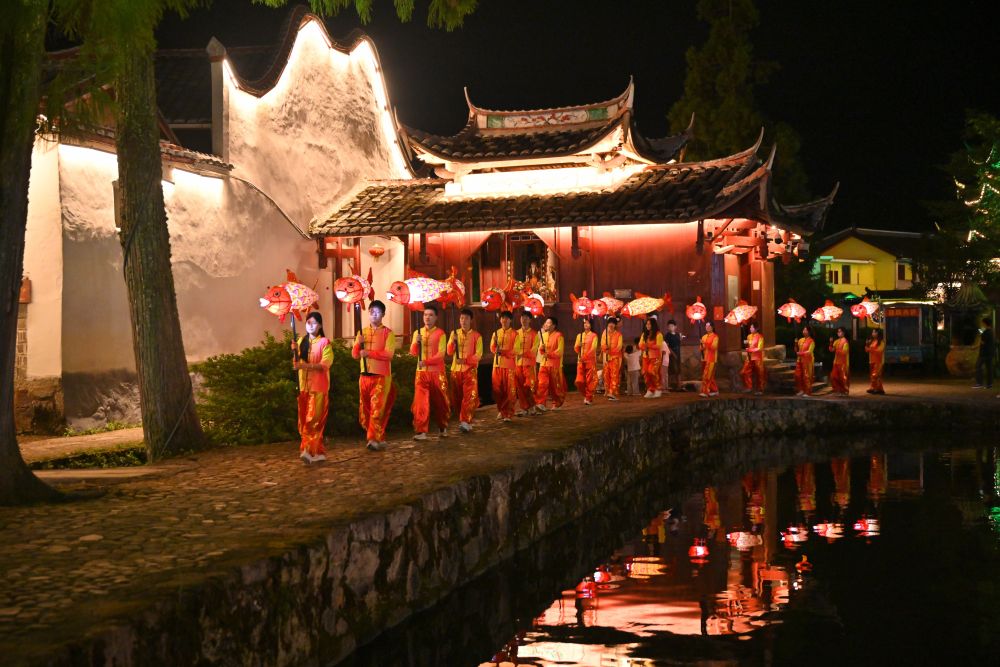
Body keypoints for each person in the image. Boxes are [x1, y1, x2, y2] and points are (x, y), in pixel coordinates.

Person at [352, 300, 397, 451]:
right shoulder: (362, 332)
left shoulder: (388, 333)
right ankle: (379, 436)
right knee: (365, 410)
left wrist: (369, 353)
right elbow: (355, 355)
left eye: (377, 312)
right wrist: (358, 344)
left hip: (381, 376)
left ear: (383, 314)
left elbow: (389, 354)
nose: (374, 315)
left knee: (377, 409)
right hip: (364, 376)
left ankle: (373, 439)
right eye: (371, 312)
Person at [293, 311, 333, 463]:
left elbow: (324, 365)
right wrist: (294, 352)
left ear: (320, 325)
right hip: (303, 387)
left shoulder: (325, 343)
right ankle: (316, 451)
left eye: (314, 323)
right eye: (308, 322)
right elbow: (296, 364)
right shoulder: (301, 341)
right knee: (303, 421)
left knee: (313, 421)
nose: (310, 325)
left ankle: (308, 450)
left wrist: (304, 366)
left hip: (318, 388)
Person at [409, 305, 450, 440]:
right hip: (421, 373)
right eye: (425, 315)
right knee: (420, 402)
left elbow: (441, 354)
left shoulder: (440, 333)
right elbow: (413, 352)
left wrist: (426, 362)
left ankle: (442, 426)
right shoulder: (417, 333)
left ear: (436, 317)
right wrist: (416, 343)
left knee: (440, 402)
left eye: (431, 315)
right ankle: (421, 431)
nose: (427, 317)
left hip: (437, 373)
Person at [447, 307, 482, 433]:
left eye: (466, 318)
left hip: (469, 370)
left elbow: (478, 355)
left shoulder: (477, 336)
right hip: (455, 370)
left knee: (469, 396)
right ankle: (464, 419)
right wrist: (453, 342)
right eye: (461, 318)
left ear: (471, 320)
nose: (463, 321)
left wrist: (465, 360)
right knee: (456, 397)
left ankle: (465, 421)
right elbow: (449, 352)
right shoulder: (454, 334)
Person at [491, 310, 518, 421]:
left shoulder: (515, 334)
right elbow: (492, 348)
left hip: (509, 366)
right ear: (500, 320)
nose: (504, 320)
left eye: (507, 318)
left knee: (510, 391)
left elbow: (516, 350)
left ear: (510, 320)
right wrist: (495, 347)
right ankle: (501, 410)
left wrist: (502, 352)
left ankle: (508, 413)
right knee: (497, 390)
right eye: (502, 318)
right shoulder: (496, 333)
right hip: (497, 365)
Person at [535, 316, 566, 411]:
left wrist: (549, 354)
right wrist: (542, 349)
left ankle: (557, 403)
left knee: (555, 386)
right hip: (544, 364)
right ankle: (541, 403)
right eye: (546, 322)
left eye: (548, 323)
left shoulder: (559, 335)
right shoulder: (543, 335)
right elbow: (541, 350)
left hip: (554, 365)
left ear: (554, 325)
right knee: (542, 384)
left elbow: (560, 351)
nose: (546, 324)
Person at [513, 310, 540, 416]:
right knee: (519, 387)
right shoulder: (516, 333)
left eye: (526, 318)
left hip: (529, 364)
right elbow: (514, 348)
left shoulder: (535, 334)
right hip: (518, 364)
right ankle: (524, 408)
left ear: (530, 320)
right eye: (522, 317)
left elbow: (534, 351)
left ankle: (532, 406)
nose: (524, 319)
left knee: (530, 386)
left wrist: (522, 354)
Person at [574, 317, 599, 405]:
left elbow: (593, 349)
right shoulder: (579, 336)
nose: (586, 325)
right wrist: (578, 345)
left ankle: (589, 397)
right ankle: (586, 395)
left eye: (588, 323)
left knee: (589, 380)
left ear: (591, 325)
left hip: (590, 361)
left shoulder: (594, 336)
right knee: (579, 381)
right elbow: (576, 349)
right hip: (580, 361)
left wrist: (584, 357)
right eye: (585, 323)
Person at [639, 318, 664, 398]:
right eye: (647, 324)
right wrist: (644, 346)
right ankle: (650, 389)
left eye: (649, 324)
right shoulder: (644, 334)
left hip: (655, 357)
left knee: (652, 371)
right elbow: (640, 344)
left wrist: (648, 345)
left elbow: (659, 346)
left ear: (653, 325)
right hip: (646, 357)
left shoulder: (658, 334)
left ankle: (658, 388)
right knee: (645, 373)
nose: (647, 326)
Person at [740, 321, 767, 395]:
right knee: (744, 372)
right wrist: (746, 344)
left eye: (752, 327)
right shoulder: (749, 336)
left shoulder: (760, 337)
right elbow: (748, 346)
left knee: (759, 373)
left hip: (757, 357)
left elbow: (760, 348)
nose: (750, 328)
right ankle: (748, 386)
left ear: (756, 328)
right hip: (749, 357)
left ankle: (760, 389)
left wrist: (750, 349)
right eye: (750, 327)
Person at [601, 317, 623, 401]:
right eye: (610, 323)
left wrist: (610, 351)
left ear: (615, 325)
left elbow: (619, 347)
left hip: (615, 358)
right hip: (606, 358)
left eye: (613, 323)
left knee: (614, 375)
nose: (611, 325)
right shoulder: (605, 333)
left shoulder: (619, 335)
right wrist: (605, 347)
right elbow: (602, 344)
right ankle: (607, 391)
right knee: (606, 375)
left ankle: (612, 392)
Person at [699, 321, 719, 398]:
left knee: (707, 375)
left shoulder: (715, 337)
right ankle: (714, 390)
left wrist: (705, 343)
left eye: (708, 326)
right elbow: (701, 348)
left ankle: (705, 391)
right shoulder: (704, 337)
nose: (707, 327)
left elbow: (714, 347)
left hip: (712, 359)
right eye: (706, 326)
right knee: (710, 376)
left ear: (712, 327)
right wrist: (701, 346)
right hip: (704, 358)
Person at [794, 325, 816, 397]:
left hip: (807, 361)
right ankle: (801, 390)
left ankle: (807, 391)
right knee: (798, 375)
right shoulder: (800, 340)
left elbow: (809, 352)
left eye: (805, 330)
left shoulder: (811, 341)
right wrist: (795, 344)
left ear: (809, 332)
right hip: (799, 360)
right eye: (803, 330)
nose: (804, 331)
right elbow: (796, 350)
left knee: (806, 376)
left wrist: (801, 353)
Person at [829, 326, 850, 396]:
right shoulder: (836, 341)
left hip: (843, 362)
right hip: (836, 362)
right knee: (833, 376)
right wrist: (831, 342)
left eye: (840, 331)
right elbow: (831, 350)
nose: (838, 333)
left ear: (843, 333)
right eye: (838, 332)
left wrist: (837, 350)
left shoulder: (845, 341)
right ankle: (837, 390)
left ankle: (844, 391)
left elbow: (844, 352)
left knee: (843, 378)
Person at [974, 318, 995, 389]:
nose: (981, 324)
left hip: (984, 353)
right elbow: (980, 333)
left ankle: (979, 383)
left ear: (985, 323)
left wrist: (976, 346)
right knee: (989, 368)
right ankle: (989, 384)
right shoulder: (990, 331)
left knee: (978, 366)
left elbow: (982, 341)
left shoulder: (987, 332)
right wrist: (981, 330)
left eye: (982, 323)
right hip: (990, 352)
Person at [865, 329, 886, 395]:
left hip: (878, 361)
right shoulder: (872, 341)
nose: (872, 333)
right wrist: (867, 345)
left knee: (876, 375)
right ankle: (875, 388)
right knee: (872, 375)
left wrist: (870, 349)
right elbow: (867, 350)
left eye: (874, 332)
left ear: (878, 333)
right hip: (871, 360)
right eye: (872, 332)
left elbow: (879, 351)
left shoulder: (881, 342)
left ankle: (877, 389)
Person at [664, 320, 683, 391]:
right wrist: (673, 353)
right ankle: (669, 385)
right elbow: (667, 346)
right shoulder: (667, 335)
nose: (670, 327)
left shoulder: (678, 334)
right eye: (669, 326)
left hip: (678, 352)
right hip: (671, 353)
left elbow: (678, 343)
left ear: (675, 327)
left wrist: (680, 339)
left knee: (678, 369)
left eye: (672, 326)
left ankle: (679, 385)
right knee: (672, 369)